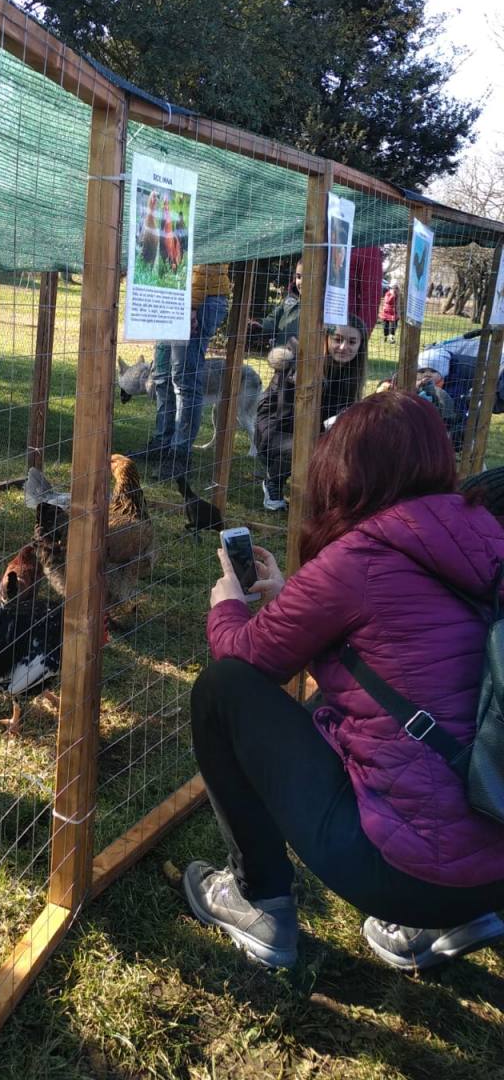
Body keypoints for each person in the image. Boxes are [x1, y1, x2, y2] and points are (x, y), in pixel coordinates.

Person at [182, 391, 504, 971]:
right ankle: (452, 919)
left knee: (220, 691)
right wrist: (290, 600)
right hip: (495, 852)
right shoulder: (484, 534)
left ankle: (259, 903)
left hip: (410, 874)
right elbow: (395, 651)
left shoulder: (356, 559)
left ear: (345, 469)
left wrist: (228, 605)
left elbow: (245, 657)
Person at [255, 316, 367, 511]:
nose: (343, 347)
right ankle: (273, 481)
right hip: (276, 427)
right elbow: (284, 415)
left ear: (360, 345)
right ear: (326, 339)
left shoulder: (350, 374)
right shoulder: (300, 366)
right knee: (312, 448)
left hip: (315, 430)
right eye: (338, 339)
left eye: (351, 342)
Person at [137, 264, 230, 480]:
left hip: (200, 298)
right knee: (162, 376)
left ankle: (180, 455)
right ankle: (163, 443)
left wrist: (192, 305)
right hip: (172, 295)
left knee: (184, 381)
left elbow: (205, 262)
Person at [250, 257, 302, 349]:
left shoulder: (322, 307)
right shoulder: (290, 300)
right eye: (298, 277)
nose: (301, 281)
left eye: (307, 277)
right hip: (280, 355)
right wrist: (259, 325)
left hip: (303, 356)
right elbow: (273, 321)